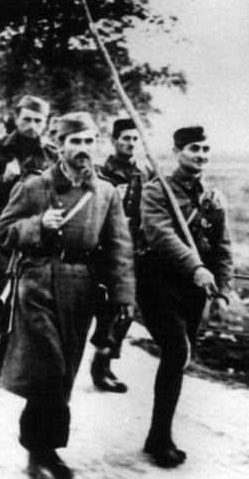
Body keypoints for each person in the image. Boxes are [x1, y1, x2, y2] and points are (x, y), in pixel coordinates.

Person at [0, 112, 134, 479]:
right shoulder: (35, 186)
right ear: (59, 146)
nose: (84, 149)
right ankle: (42, 452)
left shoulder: (105, 192)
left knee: (65, 372)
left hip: (81, 286)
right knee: (49, 369)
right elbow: (3, 231)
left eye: (89, 141)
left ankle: (43, 448)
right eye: (76, 141)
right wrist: (36, 225)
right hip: (38, 280)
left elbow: (118, 246)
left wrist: (123, 296)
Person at [136, 125, 233, 468]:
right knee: (177, 350)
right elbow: (160, 236)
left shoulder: (213, 198)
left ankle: (156, 435)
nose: (201, 155)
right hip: (158, 284)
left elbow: (222, 248)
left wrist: (222, 292)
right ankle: (161, 438)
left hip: (195, 291)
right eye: (194, 149)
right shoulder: (156, 191)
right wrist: (194, 266)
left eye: (206, 150)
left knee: (179, 359)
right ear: (177, 151)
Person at [0, 95, 59, 385]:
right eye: (26, 119)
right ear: (16, 118)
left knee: (21, 300)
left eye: (38, 120)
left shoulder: (51, 155)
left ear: (45, 123)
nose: (32, 126)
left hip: (32, 237)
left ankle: (3, 355)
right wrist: (2, 180)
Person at [88, 118, 150, 393]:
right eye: (125, 138)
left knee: (126, 307)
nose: (130, 143)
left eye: (135, 139)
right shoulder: (100, 173)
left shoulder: (145, 174)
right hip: (102, 246)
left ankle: (105, 363)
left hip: (133, 248)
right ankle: (97, 359)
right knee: (104, 305)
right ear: (114, 141)